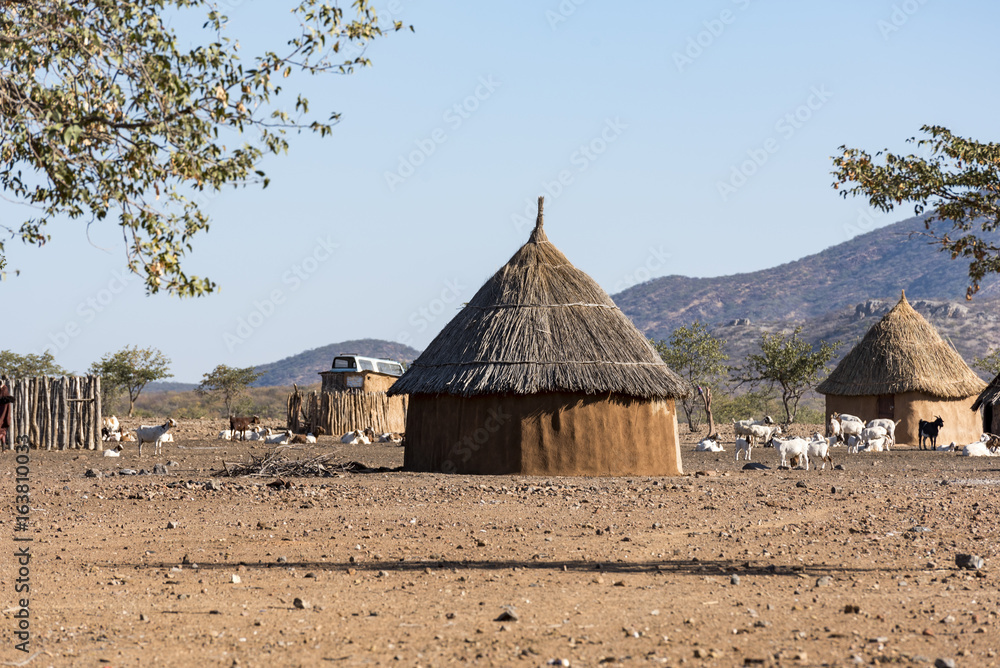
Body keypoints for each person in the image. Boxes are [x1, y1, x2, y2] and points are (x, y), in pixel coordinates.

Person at [0, 375, 12, 446]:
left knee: (2, 427)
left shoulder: (4, 389)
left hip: (4, 411)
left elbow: (5, 402)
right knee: (2, 430)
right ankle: (4, 447)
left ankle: (4, 447)